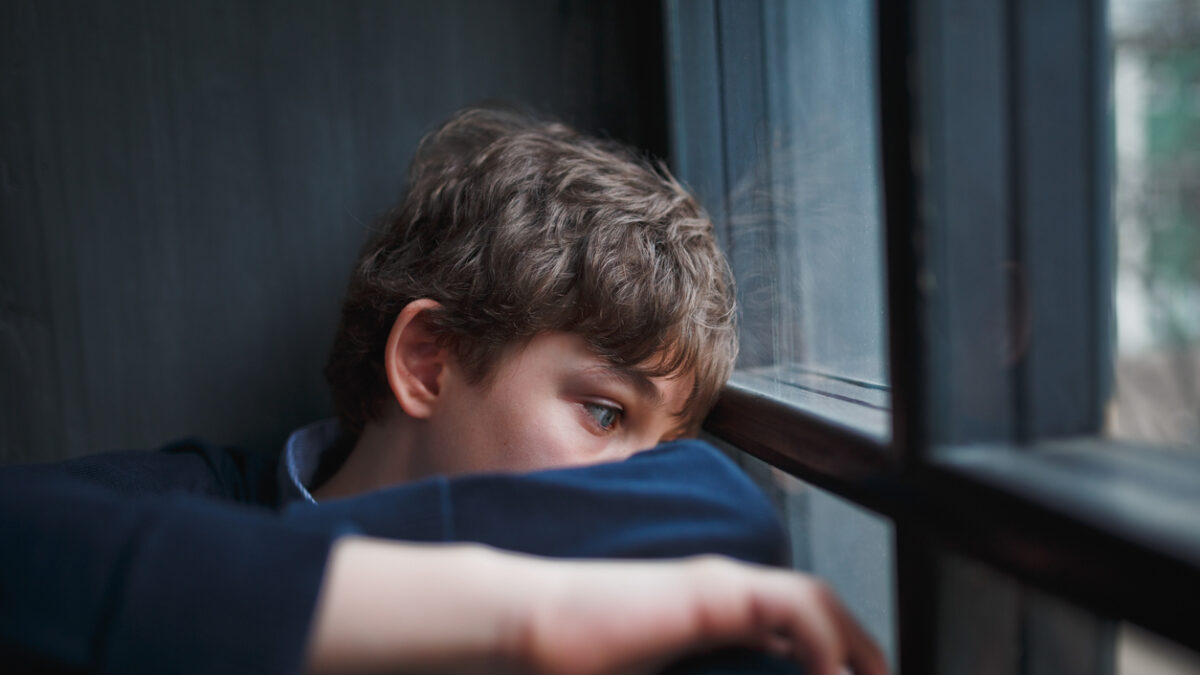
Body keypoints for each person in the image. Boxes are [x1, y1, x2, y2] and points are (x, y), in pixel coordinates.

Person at [0, 107, 888, 675]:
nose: (639, 480)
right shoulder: (182, 508)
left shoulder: (652, 613)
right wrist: (520, 613)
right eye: (604, 412)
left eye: (663, 446)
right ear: (428, 361)